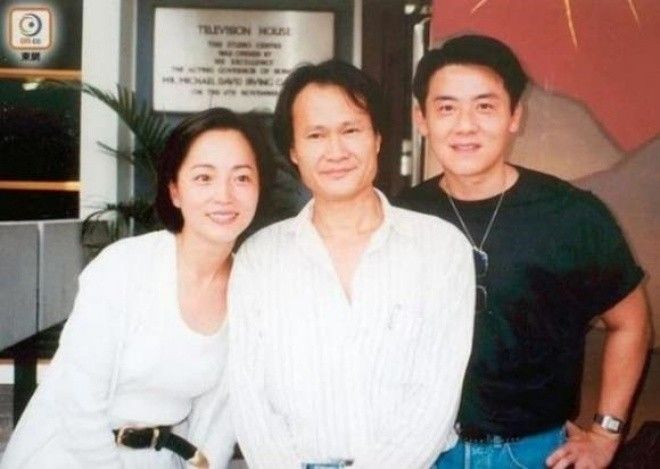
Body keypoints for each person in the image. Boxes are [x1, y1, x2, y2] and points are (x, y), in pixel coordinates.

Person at [397, 34, 652, 468]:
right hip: (421, 451)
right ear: (421, 118)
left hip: (536, 452)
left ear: (515, 115)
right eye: (446, 108)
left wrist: (605, 434)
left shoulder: (570, 214)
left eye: (485, 106)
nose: (465, 125)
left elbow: (631, 323)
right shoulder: (400, 218)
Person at [228, 59, 475, 469]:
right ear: (294, 151)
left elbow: (435, 398)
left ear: (377, 138)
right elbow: (249, 400)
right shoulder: (259, 258)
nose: (336, 151)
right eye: (316, 135)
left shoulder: (440, 249)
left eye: (351, 130)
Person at [1, 107, 272, 468]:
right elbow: (77, 403)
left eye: (241, 177)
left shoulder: (250, 291)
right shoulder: (124, 267)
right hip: (65, 456)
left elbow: (220, 420)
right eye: (204, 177)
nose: (224, 195)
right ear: (175, 191)